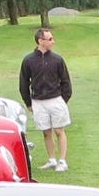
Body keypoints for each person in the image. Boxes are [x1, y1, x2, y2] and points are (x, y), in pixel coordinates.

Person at [18, 27, 73, 171]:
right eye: (50, 39)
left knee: (59, 130)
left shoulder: (57, 60)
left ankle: (62, 161)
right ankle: (52, 159)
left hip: (56, 100)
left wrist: (63, 100)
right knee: (46, 132)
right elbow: (24, 83)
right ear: (40, 41)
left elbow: (66, 82)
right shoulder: (28, 60)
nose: (53, 42)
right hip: (38, 101)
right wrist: (28, 102)